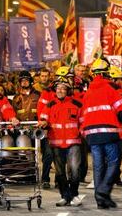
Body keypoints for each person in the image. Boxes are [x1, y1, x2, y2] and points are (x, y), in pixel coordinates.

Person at [80, 58, 122, 209]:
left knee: (98, 166)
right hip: (109, 132)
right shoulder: (112, 88)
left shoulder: (87, 93)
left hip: (92, 134)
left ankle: (100, 199)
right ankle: (103, 190)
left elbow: (83, 114)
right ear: (106, 73)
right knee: (114, 163)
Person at [38, 76, 83, 207]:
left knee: (75, 170)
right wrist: (43, 123)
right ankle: (65, 196)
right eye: (58, 88)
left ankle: (74, 195)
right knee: (60, 172)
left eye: (63, 88)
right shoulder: (50, 105)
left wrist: (82, 133)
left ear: (68, 90)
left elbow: (83, 122)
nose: (60, 91)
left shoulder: (77, 104)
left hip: (73, 142)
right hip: (56, 143)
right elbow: (43, 119)